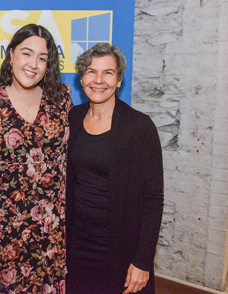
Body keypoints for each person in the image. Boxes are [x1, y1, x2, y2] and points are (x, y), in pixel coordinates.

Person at [0, 24, 72, 293]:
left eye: (42, 58)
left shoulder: (62, 100)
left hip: (52, 227)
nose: (33, 64)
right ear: (11, 53)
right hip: (3, 228)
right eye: (27, 53)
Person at [66, 43, 164, 294]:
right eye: (91, 71)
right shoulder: (72, 119)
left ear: (119, 80)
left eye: (108, 73)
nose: (99, 80)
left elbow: (153, 199)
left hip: (121, 247)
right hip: (77, 247)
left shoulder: (139, 127)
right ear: (81, 78)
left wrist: (142, 261)